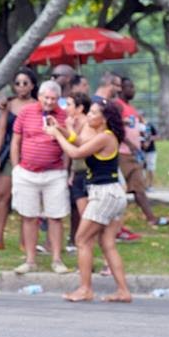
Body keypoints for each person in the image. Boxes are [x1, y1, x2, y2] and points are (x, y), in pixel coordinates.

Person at [44, 99, 131, 302]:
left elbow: (75, 153)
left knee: (82, 240)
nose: (89, 116)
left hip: (104, 194)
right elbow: (79, 142)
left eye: (93, 113)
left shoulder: (105, 137)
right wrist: (60, 129)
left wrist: (56, 135)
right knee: (107, 243)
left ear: (104, 118)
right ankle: (123, 291)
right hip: (113, 193)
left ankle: (85, 289)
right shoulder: (103, 136)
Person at [10, 80, 70, 275]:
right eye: (46, 98)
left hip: (54, 173)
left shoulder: (63, 115)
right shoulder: (26, 112)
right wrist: (16, 167)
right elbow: (16, 140)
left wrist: (66, 169)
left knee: (55, 217)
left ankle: (57, 259)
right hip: (26, 172)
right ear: (39, 96)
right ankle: (30, 260)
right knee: (28, 216)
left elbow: (68, 143)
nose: (49, 102)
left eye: (54, 99)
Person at [0, 68, 37, 250]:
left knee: (26, 197)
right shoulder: (9, 104)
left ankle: (25, 241)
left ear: (32, 85)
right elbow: (1, 129)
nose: (21, 87)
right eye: (18, 83)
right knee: (1, 195)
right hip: (8, 154)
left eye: (25, 83)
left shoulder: (37, 105)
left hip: (30, 155)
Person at [116, 77, 167, 229]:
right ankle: (116, 224)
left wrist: (143, 140)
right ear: (121, 88)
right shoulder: (118, 105)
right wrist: (129, 144)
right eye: (129, 87)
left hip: (134, 154)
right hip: (122, 153)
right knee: (120, 190)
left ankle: (151, 218)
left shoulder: (131, 108)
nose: (133, 90)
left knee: (139, 187)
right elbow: (115, 127)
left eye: (133, 87)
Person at [66, 92, 92, 250]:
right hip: (78, 173)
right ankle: (81, 244)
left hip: (87, 174)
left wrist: (68, 128)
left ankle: (86, 245)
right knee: (80, 213)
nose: (66, 108)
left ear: (80, 108)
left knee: (87, 216)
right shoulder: (74, 123)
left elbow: (80, 147)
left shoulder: (88, 124)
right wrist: (72, 173)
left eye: (69, 104)